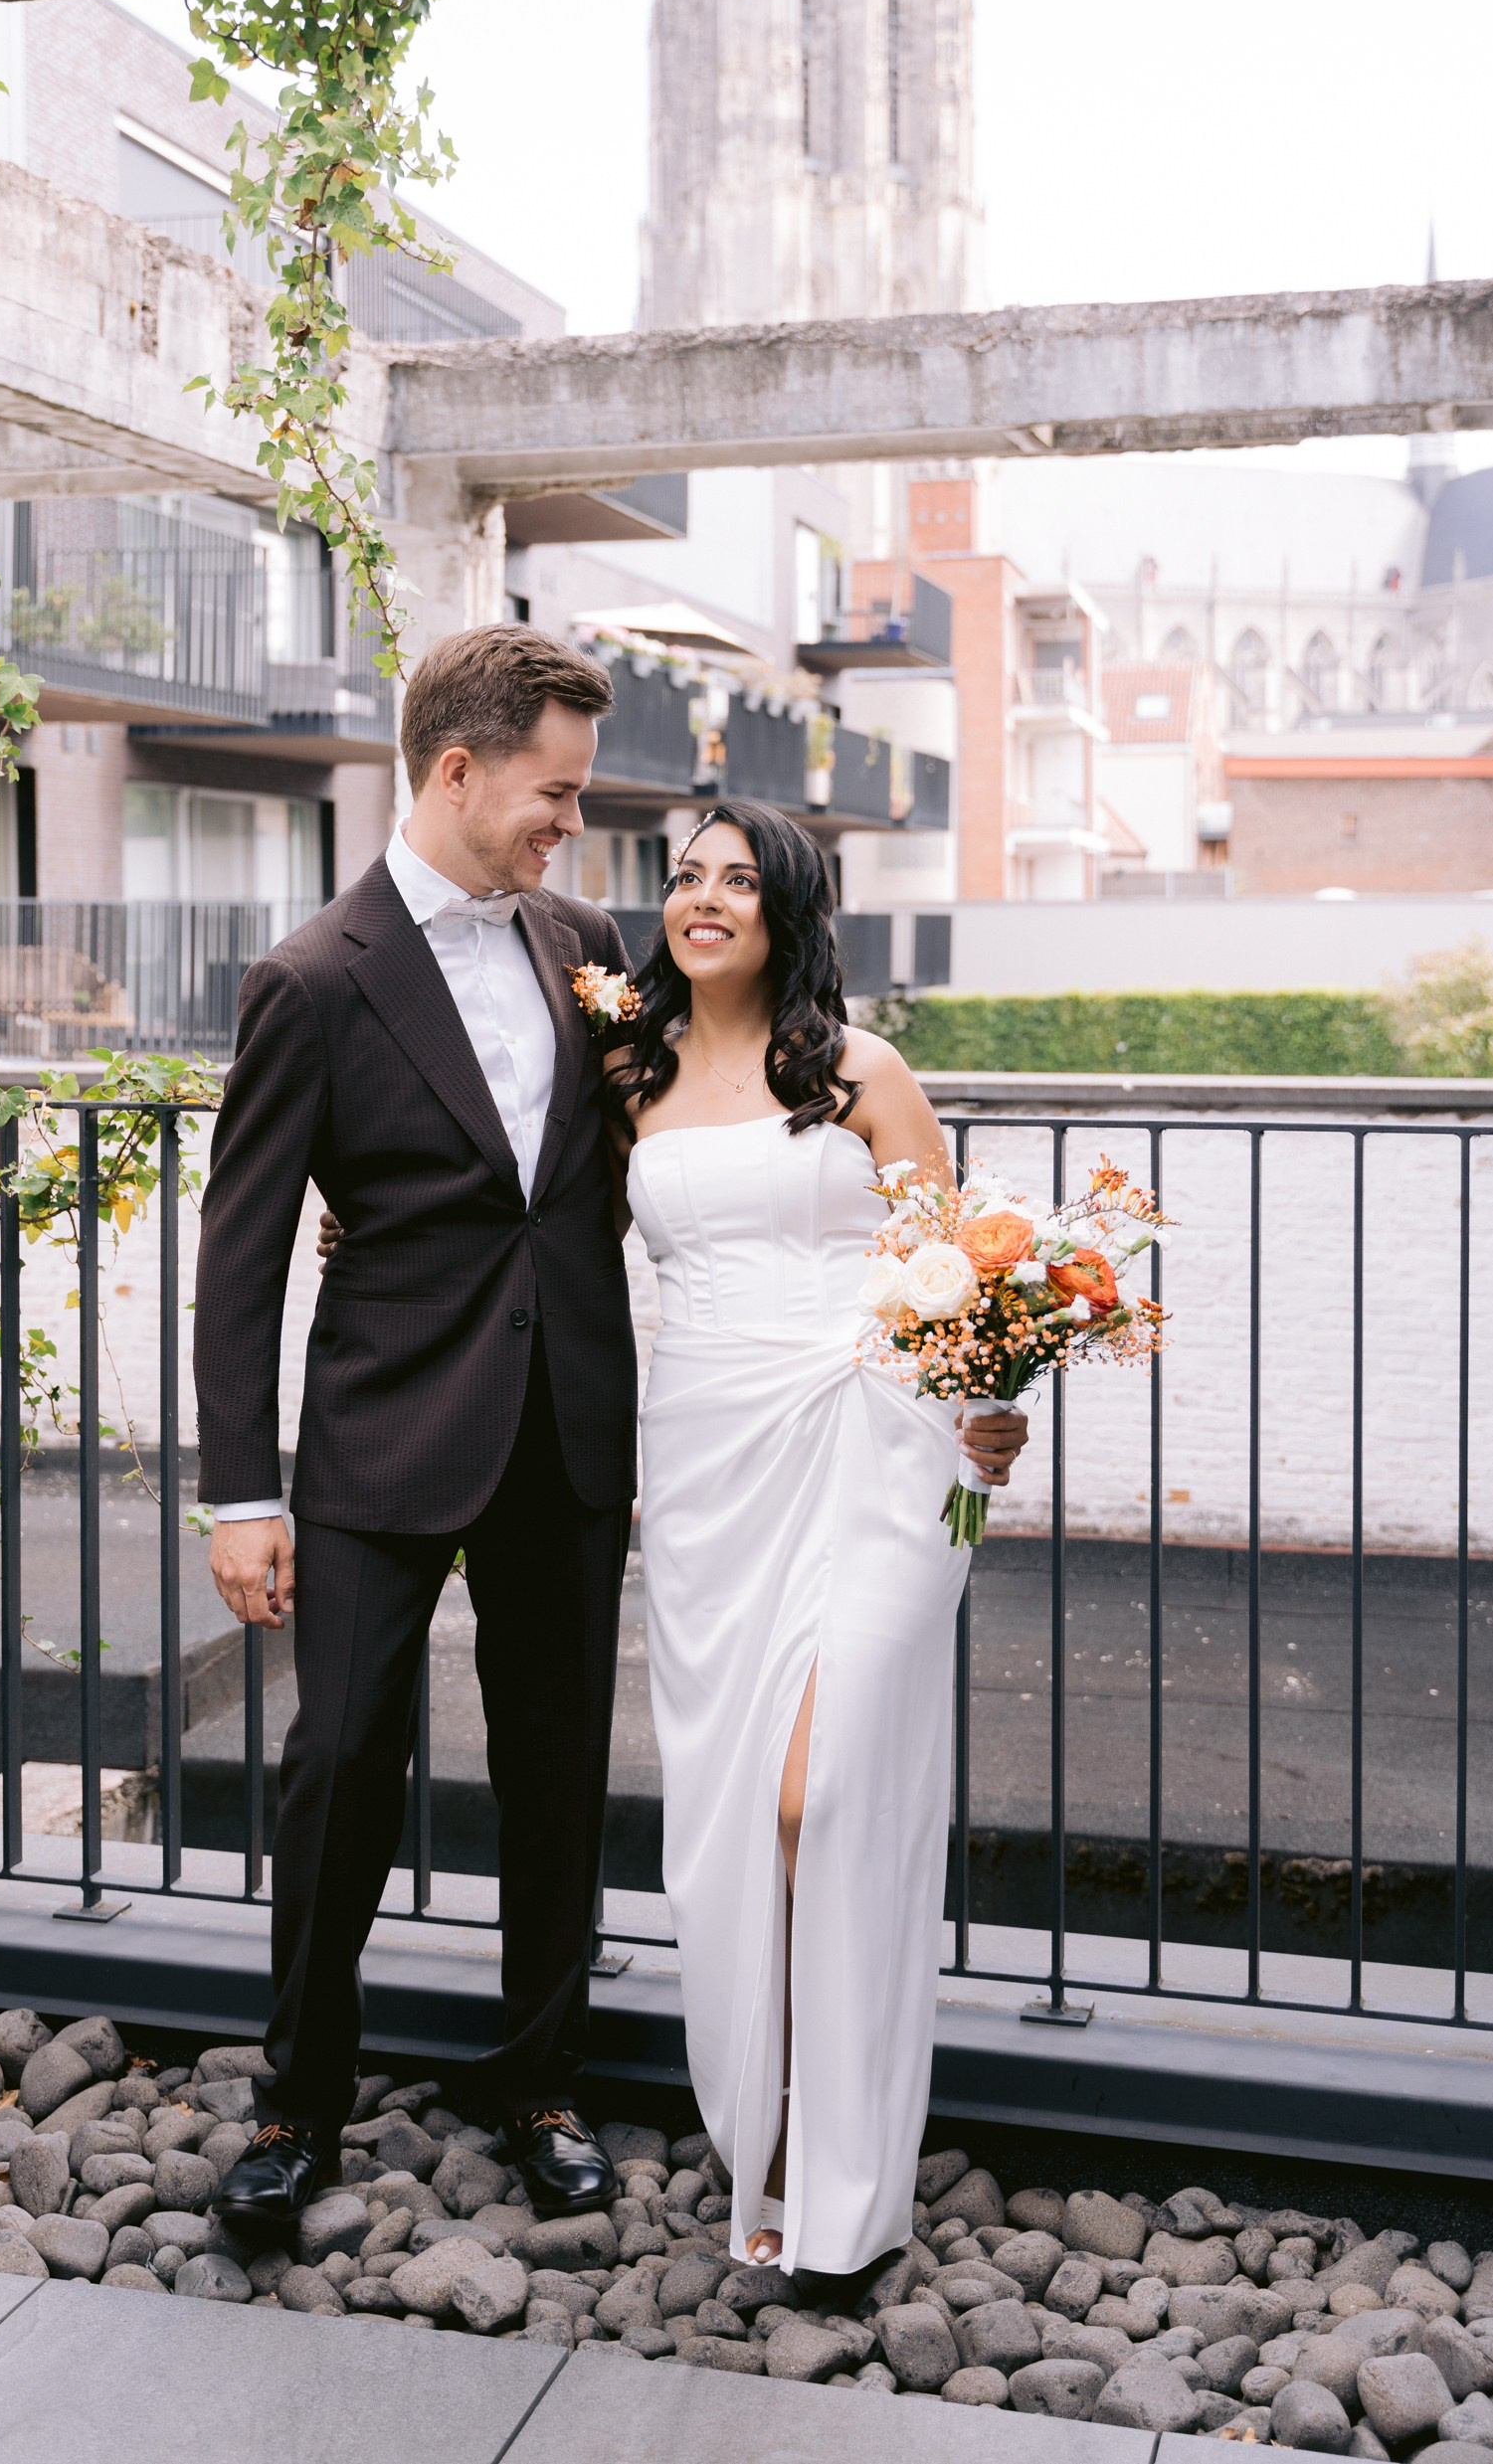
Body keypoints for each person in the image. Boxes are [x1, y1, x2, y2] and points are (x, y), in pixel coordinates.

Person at [194, 623, 640, 2227]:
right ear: (458, 770)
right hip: (380, 1438)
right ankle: (298, 2102)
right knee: (338, 1769)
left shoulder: (582, 938)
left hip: (567, 1433)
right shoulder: (311, 977)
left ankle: (539, 2081)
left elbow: (647, 1145)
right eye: (553, 790)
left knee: (557, 1774)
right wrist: (239, 1492)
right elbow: (240, 1255)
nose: (568, 821)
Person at [609, 799, 1026, 2276]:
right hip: (709, 1464)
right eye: (682, 875)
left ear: (787, 911)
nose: (701, 897)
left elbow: (965, 1274)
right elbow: (514, 1228)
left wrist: (992, 1409)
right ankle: (764, 2137)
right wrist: (358, 1221)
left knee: (819, 1798)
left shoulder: (860, 1071)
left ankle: (844, 2171)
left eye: (736, 878)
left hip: (881, 1438)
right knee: (732, 1824)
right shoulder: (625, 1078)